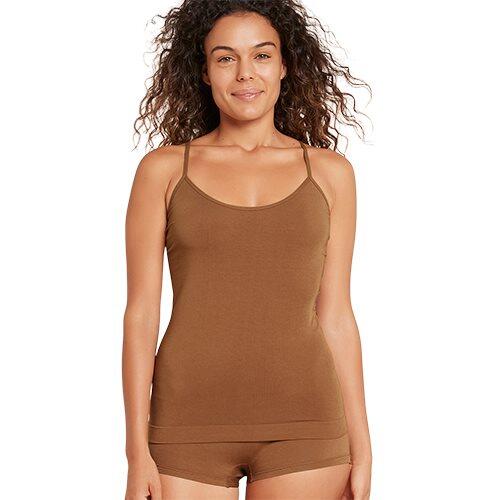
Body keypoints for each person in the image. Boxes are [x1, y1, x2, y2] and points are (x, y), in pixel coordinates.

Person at [123, 1, 372, 498]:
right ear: (204, 71)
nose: (244, 74)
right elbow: (141, 313)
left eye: (261, 55)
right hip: (184, 423)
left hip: (307, 424)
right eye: (225, 58)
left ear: (284, 65)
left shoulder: (330, 173)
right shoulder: (163, 170)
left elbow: (337, 315)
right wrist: (135, 451)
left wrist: (363, 447)